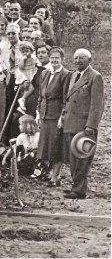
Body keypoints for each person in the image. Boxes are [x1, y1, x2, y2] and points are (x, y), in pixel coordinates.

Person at [60, 48, 104, 199]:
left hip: (84, 125)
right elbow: (67, 100)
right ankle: (76, 185)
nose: (78, 61)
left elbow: (97, 105)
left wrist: (91, 126)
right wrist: (62, 118)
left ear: (89, 60)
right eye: (76, 58)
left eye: (82, 58)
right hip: (70, 123)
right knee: (73, 158)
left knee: (82, 158)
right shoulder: (73, 76)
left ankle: (79, 190)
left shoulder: (95, 77)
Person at [35, 47, 70, 186]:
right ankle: (47, 173)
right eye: (52, 58)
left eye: (57, 58)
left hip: (56, 116)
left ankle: (56, 176)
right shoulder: (44, 73)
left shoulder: (66, 75)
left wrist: (62, 117)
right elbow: (40, 95)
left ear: (62, 60)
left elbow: (65, 98)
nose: (54, 60)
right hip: (44, 114)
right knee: (45, 146)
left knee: (56, 146)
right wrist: (38, 113)